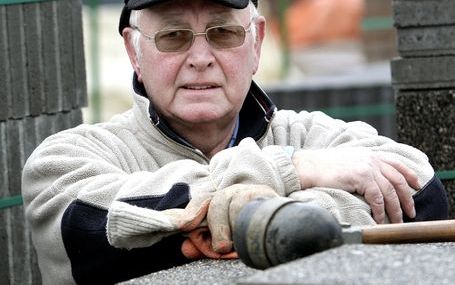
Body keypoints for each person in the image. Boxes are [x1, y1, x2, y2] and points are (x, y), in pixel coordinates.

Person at [21, 0, 448, 284]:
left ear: (257, 42)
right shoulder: (65, 160)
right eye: (173, 36)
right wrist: (290, 170)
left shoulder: (314, 134)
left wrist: (258, 218)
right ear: (134, 52)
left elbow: (423, 190)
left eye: (223, 33)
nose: (201, 57)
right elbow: (92, 230)